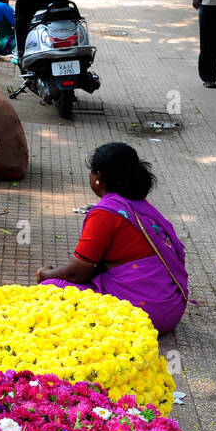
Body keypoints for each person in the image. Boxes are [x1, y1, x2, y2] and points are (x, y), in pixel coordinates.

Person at [37, 142, 188, 334]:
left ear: (98, 178)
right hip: (171, 308)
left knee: (51, 288)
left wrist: (45, 274)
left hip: (144, 315)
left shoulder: (105, 213)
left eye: (92, 171)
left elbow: (78, 273)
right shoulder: (138, 204)